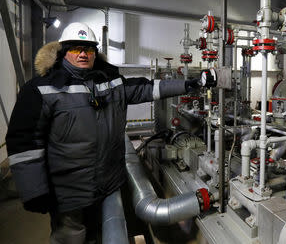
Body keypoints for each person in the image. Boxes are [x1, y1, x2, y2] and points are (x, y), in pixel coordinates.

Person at [5, 22, 204, 243]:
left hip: (109, 183)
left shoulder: (109, 82)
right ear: (63, 52)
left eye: (89, 49)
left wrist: (190, 84)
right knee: (71, 236)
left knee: (103, 232)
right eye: (75, 48)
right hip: (68, 192)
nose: (83, 54)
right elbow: (24, 142)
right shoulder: (42, 89)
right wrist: (34, 190)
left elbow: (147, 88)